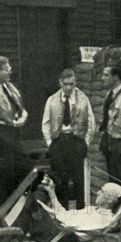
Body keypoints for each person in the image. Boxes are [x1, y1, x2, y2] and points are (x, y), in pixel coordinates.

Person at [42, 68, 95, 210]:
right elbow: (46, 123)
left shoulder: (83, 99)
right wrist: (50, 144)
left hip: (76, 141)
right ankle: (62, 210)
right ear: (60, 83)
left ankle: (81, 211)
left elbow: (91, 121)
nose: (69, 87)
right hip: (58, 141)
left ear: (75, 83)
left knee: (79, 179)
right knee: (59, 180)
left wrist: (86, 142)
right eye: (65, 84)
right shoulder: (52, 100)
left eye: (72, 84)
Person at [0, 56, 33, 202]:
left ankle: (21, 203)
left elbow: (20, 107)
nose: (10, 72)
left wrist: (22, 117)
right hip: (1, 136)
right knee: (6, 173)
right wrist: (8, 122)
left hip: (14, 133)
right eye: (6, 69)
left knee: (25, 168)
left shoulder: (9, 87)